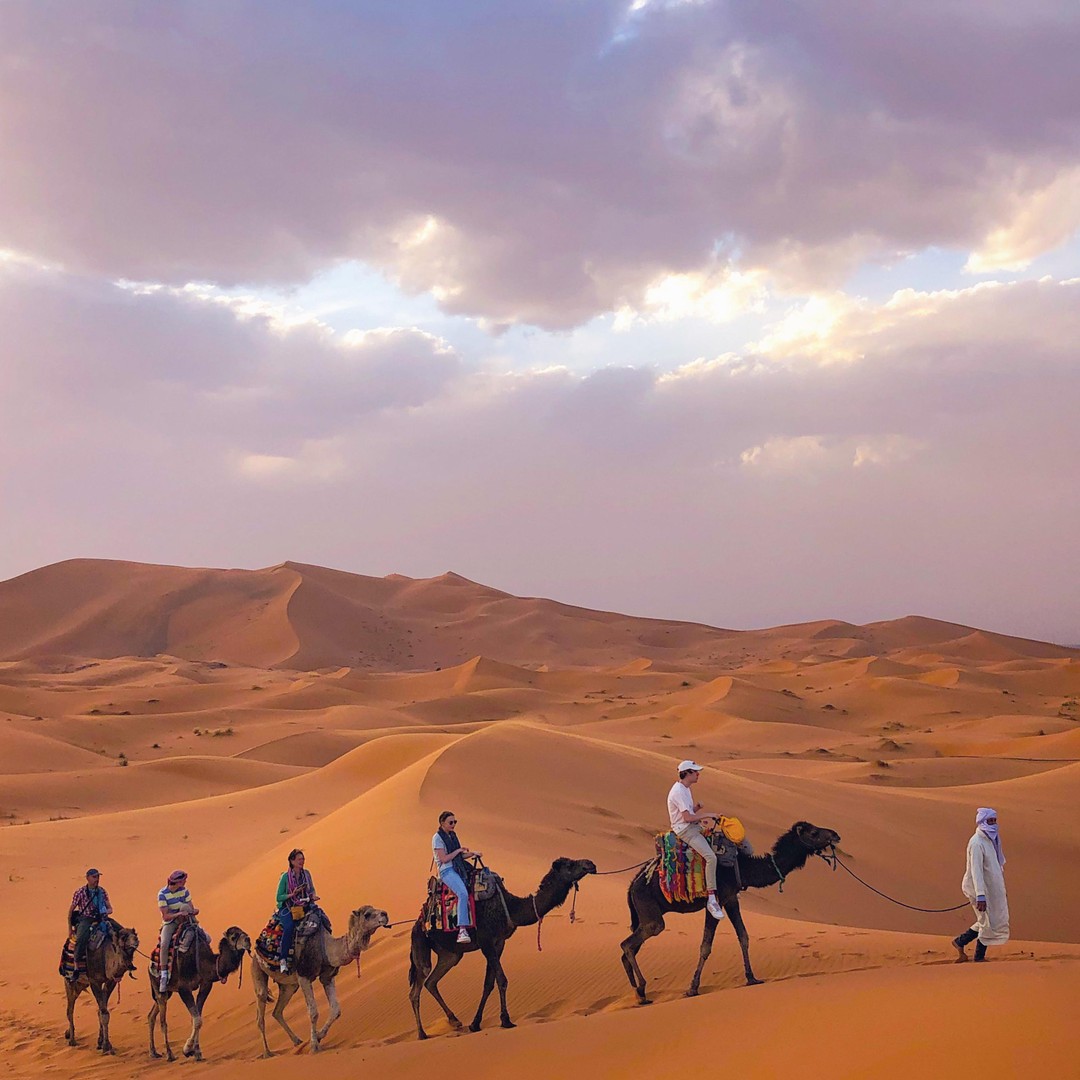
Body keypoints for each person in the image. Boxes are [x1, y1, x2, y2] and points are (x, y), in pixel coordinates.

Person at [667, 760, 726, 921]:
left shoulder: (685, 789)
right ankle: (712, 899)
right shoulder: (678, 791)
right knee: (711, 857)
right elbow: (686, 818)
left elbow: (687, 813)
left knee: (720, 843)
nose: (698, 774)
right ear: (686, 774)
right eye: (695, 772)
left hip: (691, 826)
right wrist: (708, 814)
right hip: (685, 830)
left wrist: (697, 809)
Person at [953, 807, 1009, 963]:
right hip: (977, 889)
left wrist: (999, 890)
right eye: (990, 821)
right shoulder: (977, 843)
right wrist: (980, 895)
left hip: (989, 888)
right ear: (982, 822)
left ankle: (960, 942)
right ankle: (979, 957)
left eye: (994, 821)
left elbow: (994, 869)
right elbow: (976, 871)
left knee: (990, 920)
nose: (993, 824)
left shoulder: (991, 840)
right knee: (987, 921)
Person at [432, 810, 479, 944]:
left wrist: (472, 853)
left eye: (455, 822)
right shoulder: (437, 838)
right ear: (442, 823)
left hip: (458, 868)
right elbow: (444, 858)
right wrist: (458, 851)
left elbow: (458, 856)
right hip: (447, 871)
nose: (453, 824)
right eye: (451, 822)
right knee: (462, 893)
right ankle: (462, 930)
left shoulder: (452, 836)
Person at [276, 849, 320, 974]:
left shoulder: (306, 874)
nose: (302, 861)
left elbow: (311, 889)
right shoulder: (285, 877)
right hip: (288, 907)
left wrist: (313, 896)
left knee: (321, 918)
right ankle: (283, 960)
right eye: (299, 859)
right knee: (289, 927)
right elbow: (279, 897)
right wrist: (292, 894)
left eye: (303, 859)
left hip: (305, 904)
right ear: (292, 861)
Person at [67, 868, 113, 980]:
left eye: (98, 877)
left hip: (101, 918)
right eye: (94, 877)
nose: (97, 879)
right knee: (81, 939)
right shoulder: (80, 893)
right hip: (86, 919)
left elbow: (110, 909)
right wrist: (70, 929)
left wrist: (104, 911)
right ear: (87, 878)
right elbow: (70, 911)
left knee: (122, 932)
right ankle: (77, 967)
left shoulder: (102, 891)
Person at [157, 870, 198, 992]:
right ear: (177, 882)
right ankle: (164, 974)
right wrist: (179, 913)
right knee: (164, 944)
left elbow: (190, 907)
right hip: (170, 922)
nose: (185, 882)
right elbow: (165, 916)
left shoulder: (184, 891)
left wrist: (192, 911)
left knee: (204, 938)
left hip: (186, 920)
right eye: (183, 880)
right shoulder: (162, 894)